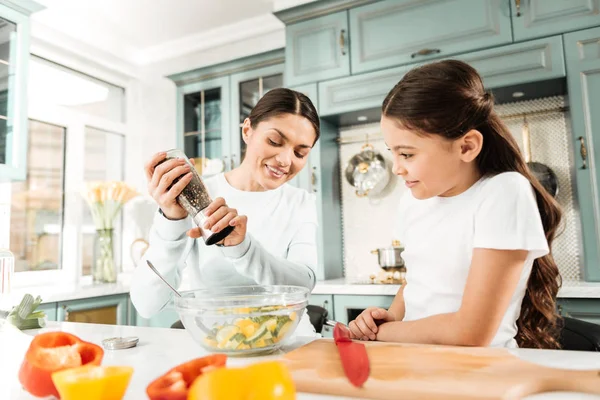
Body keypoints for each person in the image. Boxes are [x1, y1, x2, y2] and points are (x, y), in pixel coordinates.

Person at [349, 60, 563, 349]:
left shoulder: (503, 192)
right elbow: (416, 283)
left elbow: (471, 332)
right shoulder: (413, 201)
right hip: (414, 363)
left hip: (478, 372)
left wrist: (380, 334)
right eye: (393, 153)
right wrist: (385, 318)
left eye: (408, 154)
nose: (397, 168)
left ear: (467, 146)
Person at [130, 88, 320, 336]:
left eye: (300, 152)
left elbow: (303, 286)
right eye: (274, 141)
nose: (285, 160)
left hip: (289, 341)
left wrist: (242, 248)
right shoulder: (199, 194)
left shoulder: (300, 202)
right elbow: (146, 304)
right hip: (218, 342)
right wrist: (171, 220)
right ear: (247, 130)